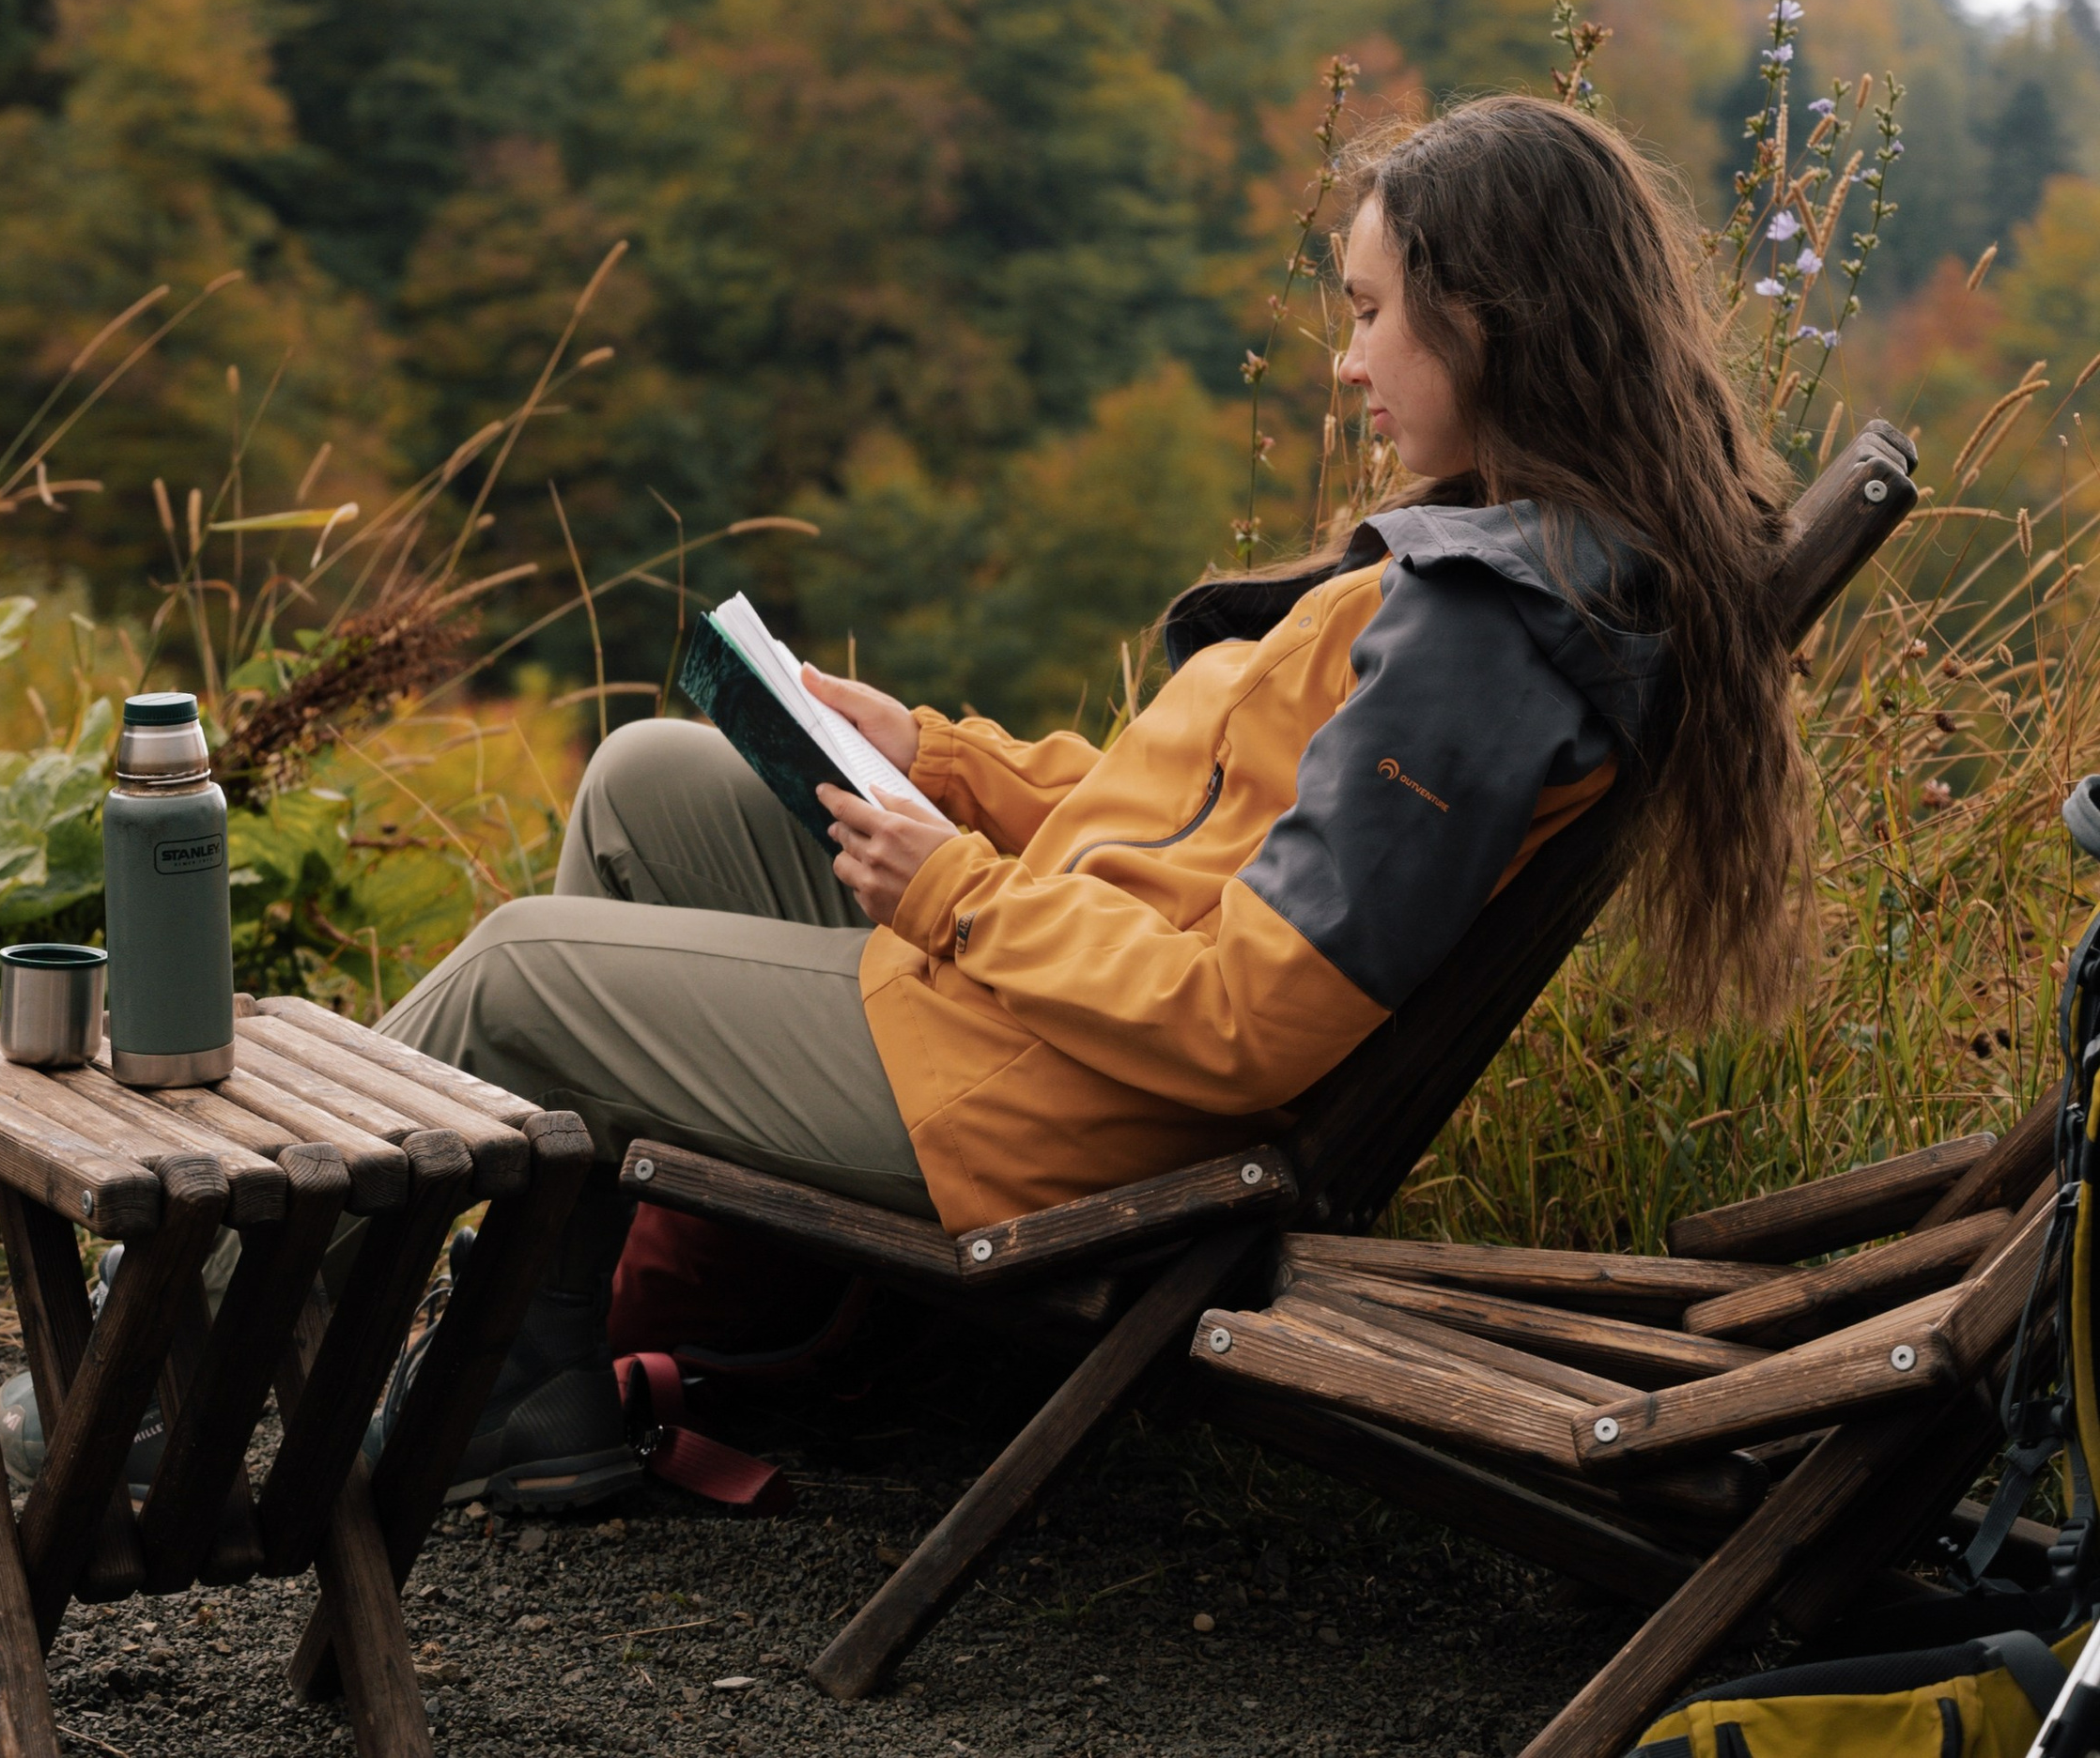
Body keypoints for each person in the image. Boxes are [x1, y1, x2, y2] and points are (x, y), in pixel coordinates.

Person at [381, 90, 1810, 1506]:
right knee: (653, 785)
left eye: (1372, 314)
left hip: (1056, 1102)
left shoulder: (1482, 638)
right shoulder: (1507, 564)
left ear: (1489, 320)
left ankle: (211, 1335)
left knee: (516, 976)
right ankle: (533, 1377)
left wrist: (949, 890)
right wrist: (939, 763)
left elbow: (1246, 1022)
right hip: (1048, 1018)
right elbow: (1195, 821)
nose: (1347, 365)